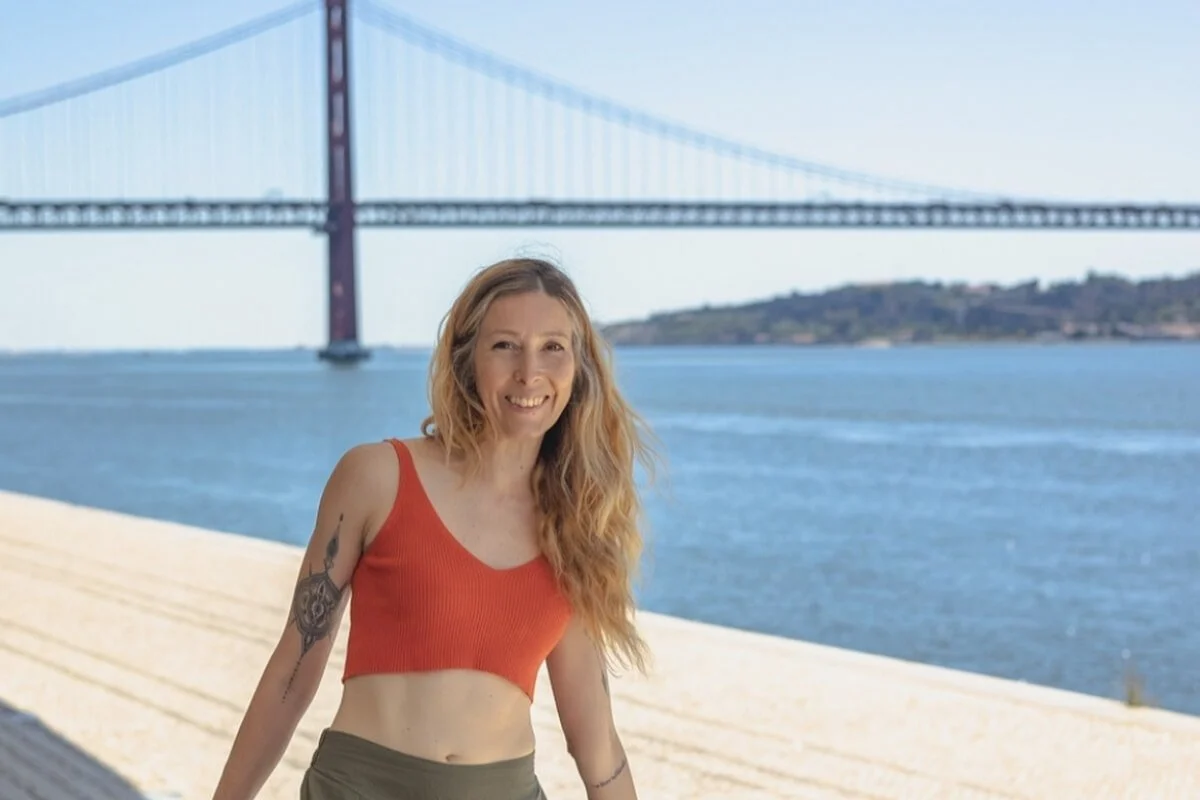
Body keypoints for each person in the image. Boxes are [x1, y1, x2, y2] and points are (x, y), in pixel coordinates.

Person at [211, 257, 658, 800]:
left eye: (552, 347)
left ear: (578, 368)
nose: (529, 372)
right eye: (505, 346)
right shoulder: (376, 477)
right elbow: (294, 670)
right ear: (467, 359)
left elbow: (597, 745)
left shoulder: (576, 527)